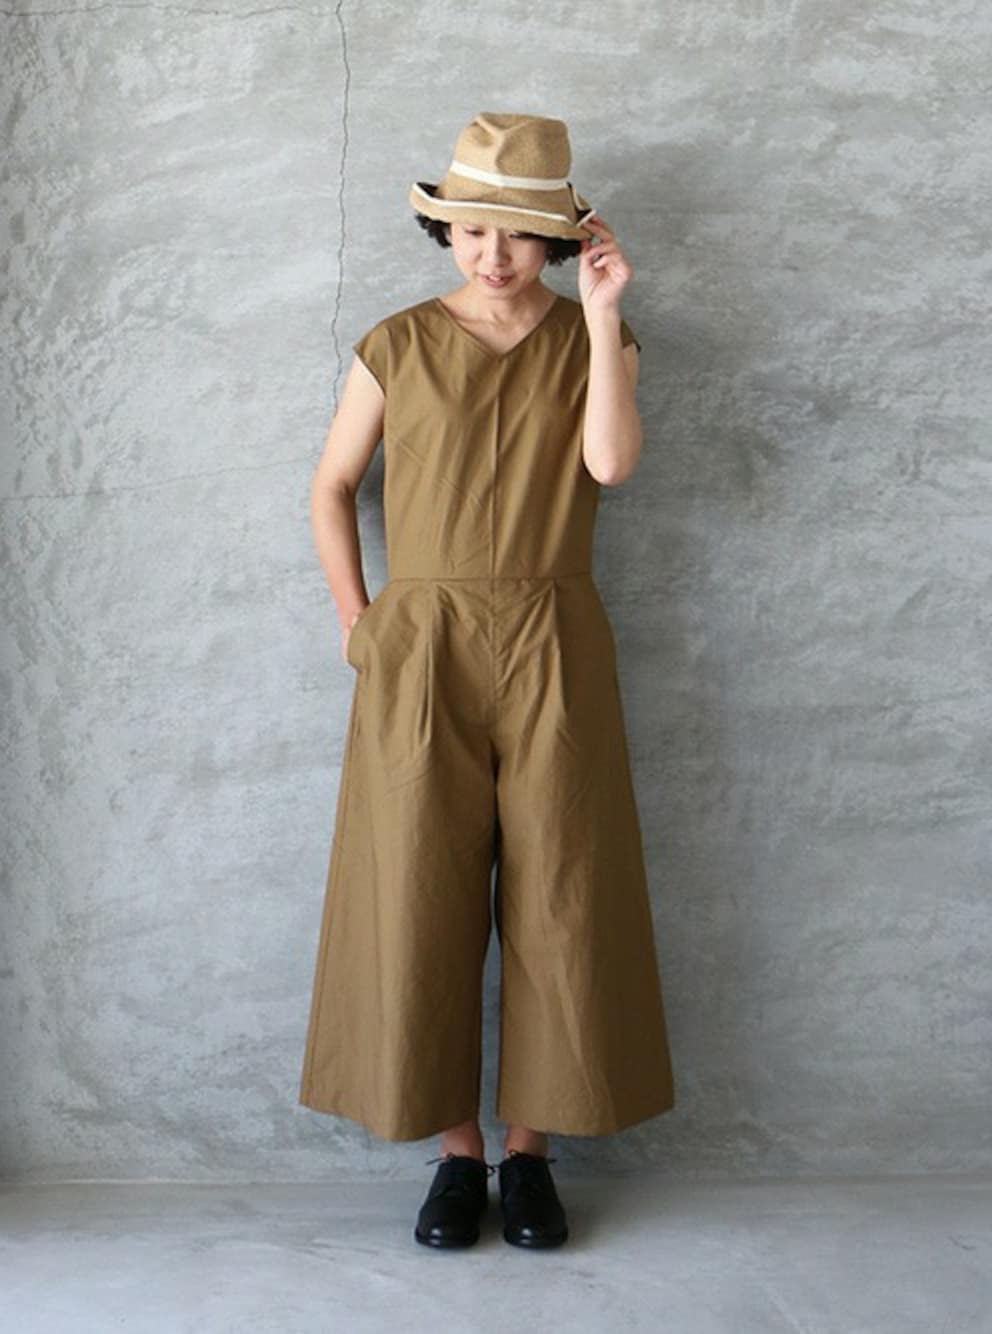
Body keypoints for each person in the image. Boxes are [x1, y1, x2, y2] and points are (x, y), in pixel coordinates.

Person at [298, 112, 675, 1249]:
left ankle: (531, 1154)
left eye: (514, 231)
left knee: (564, 893)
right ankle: (457, 1154)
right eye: (470, 228)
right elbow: (332, 487)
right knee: (419, 890)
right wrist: (361, 628)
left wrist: (602, 316)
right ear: (446, 230)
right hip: (422, 644)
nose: (491, 252)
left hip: (556, 634)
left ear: (557, 238)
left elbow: (610, 464)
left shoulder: (597, 337)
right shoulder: (397, 342)